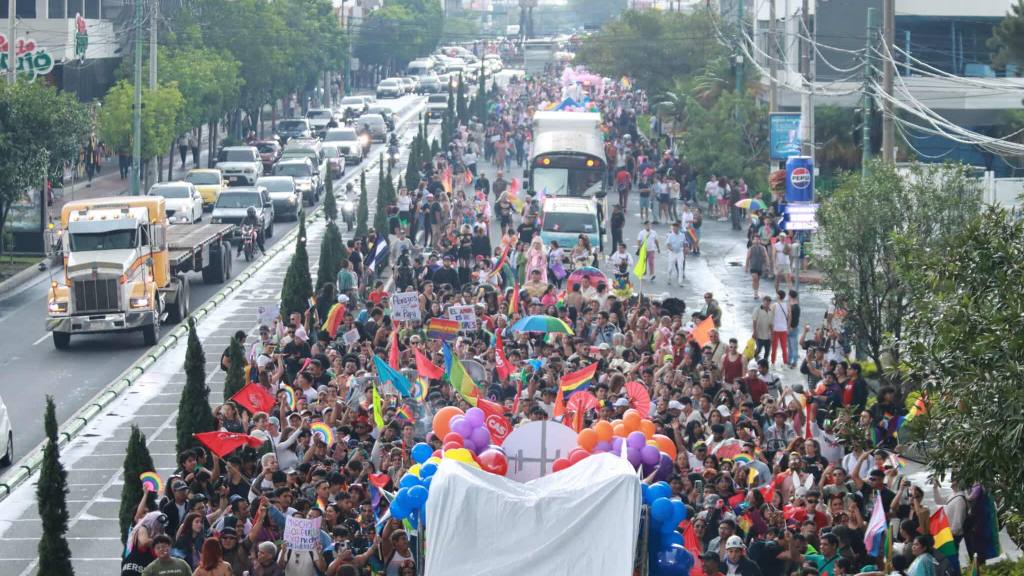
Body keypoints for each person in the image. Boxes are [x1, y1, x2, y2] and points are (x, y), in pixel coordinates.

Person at [665, 220, 688, 286]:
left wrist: (686, 248)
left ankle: (680, 282)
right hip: (672, 253)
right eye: (673, 228)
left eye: (675, 228)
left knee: (680, 267)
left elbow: (685, 243)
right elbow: (668, 244)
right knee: (670, 268)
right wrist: (671, 248)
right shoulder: (670, 235)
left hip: (680, 253)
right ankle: (669, 278)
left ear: (678, 228)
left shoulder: (682, 235)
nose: (674, 229)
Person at [745, 235, 768, 300]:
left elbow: (766, 257)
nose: (757, 241)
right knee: (755, 278)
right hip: (753, 266)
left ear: (760, 240)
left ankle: (756, 291)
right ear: (753, 241)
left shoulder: (763, 248)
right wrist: (746, 267)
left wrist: (767, 266)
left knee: (757, 280)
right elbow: (747, 258)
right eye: (755, 239)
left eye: (758, 239)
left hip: (760, 266)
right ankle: (755, 293)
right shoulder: (751, 248)